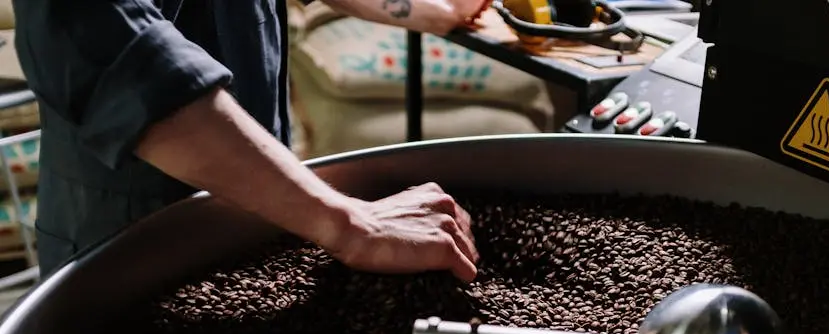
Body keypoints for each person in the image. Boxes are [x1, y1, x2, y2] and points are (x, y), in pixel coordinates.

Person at [12, 0, 486, 280]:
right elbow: (116, 51)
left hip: (261, 213)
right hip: (124, 240)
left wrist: (414, 6)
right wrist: (349, 222)